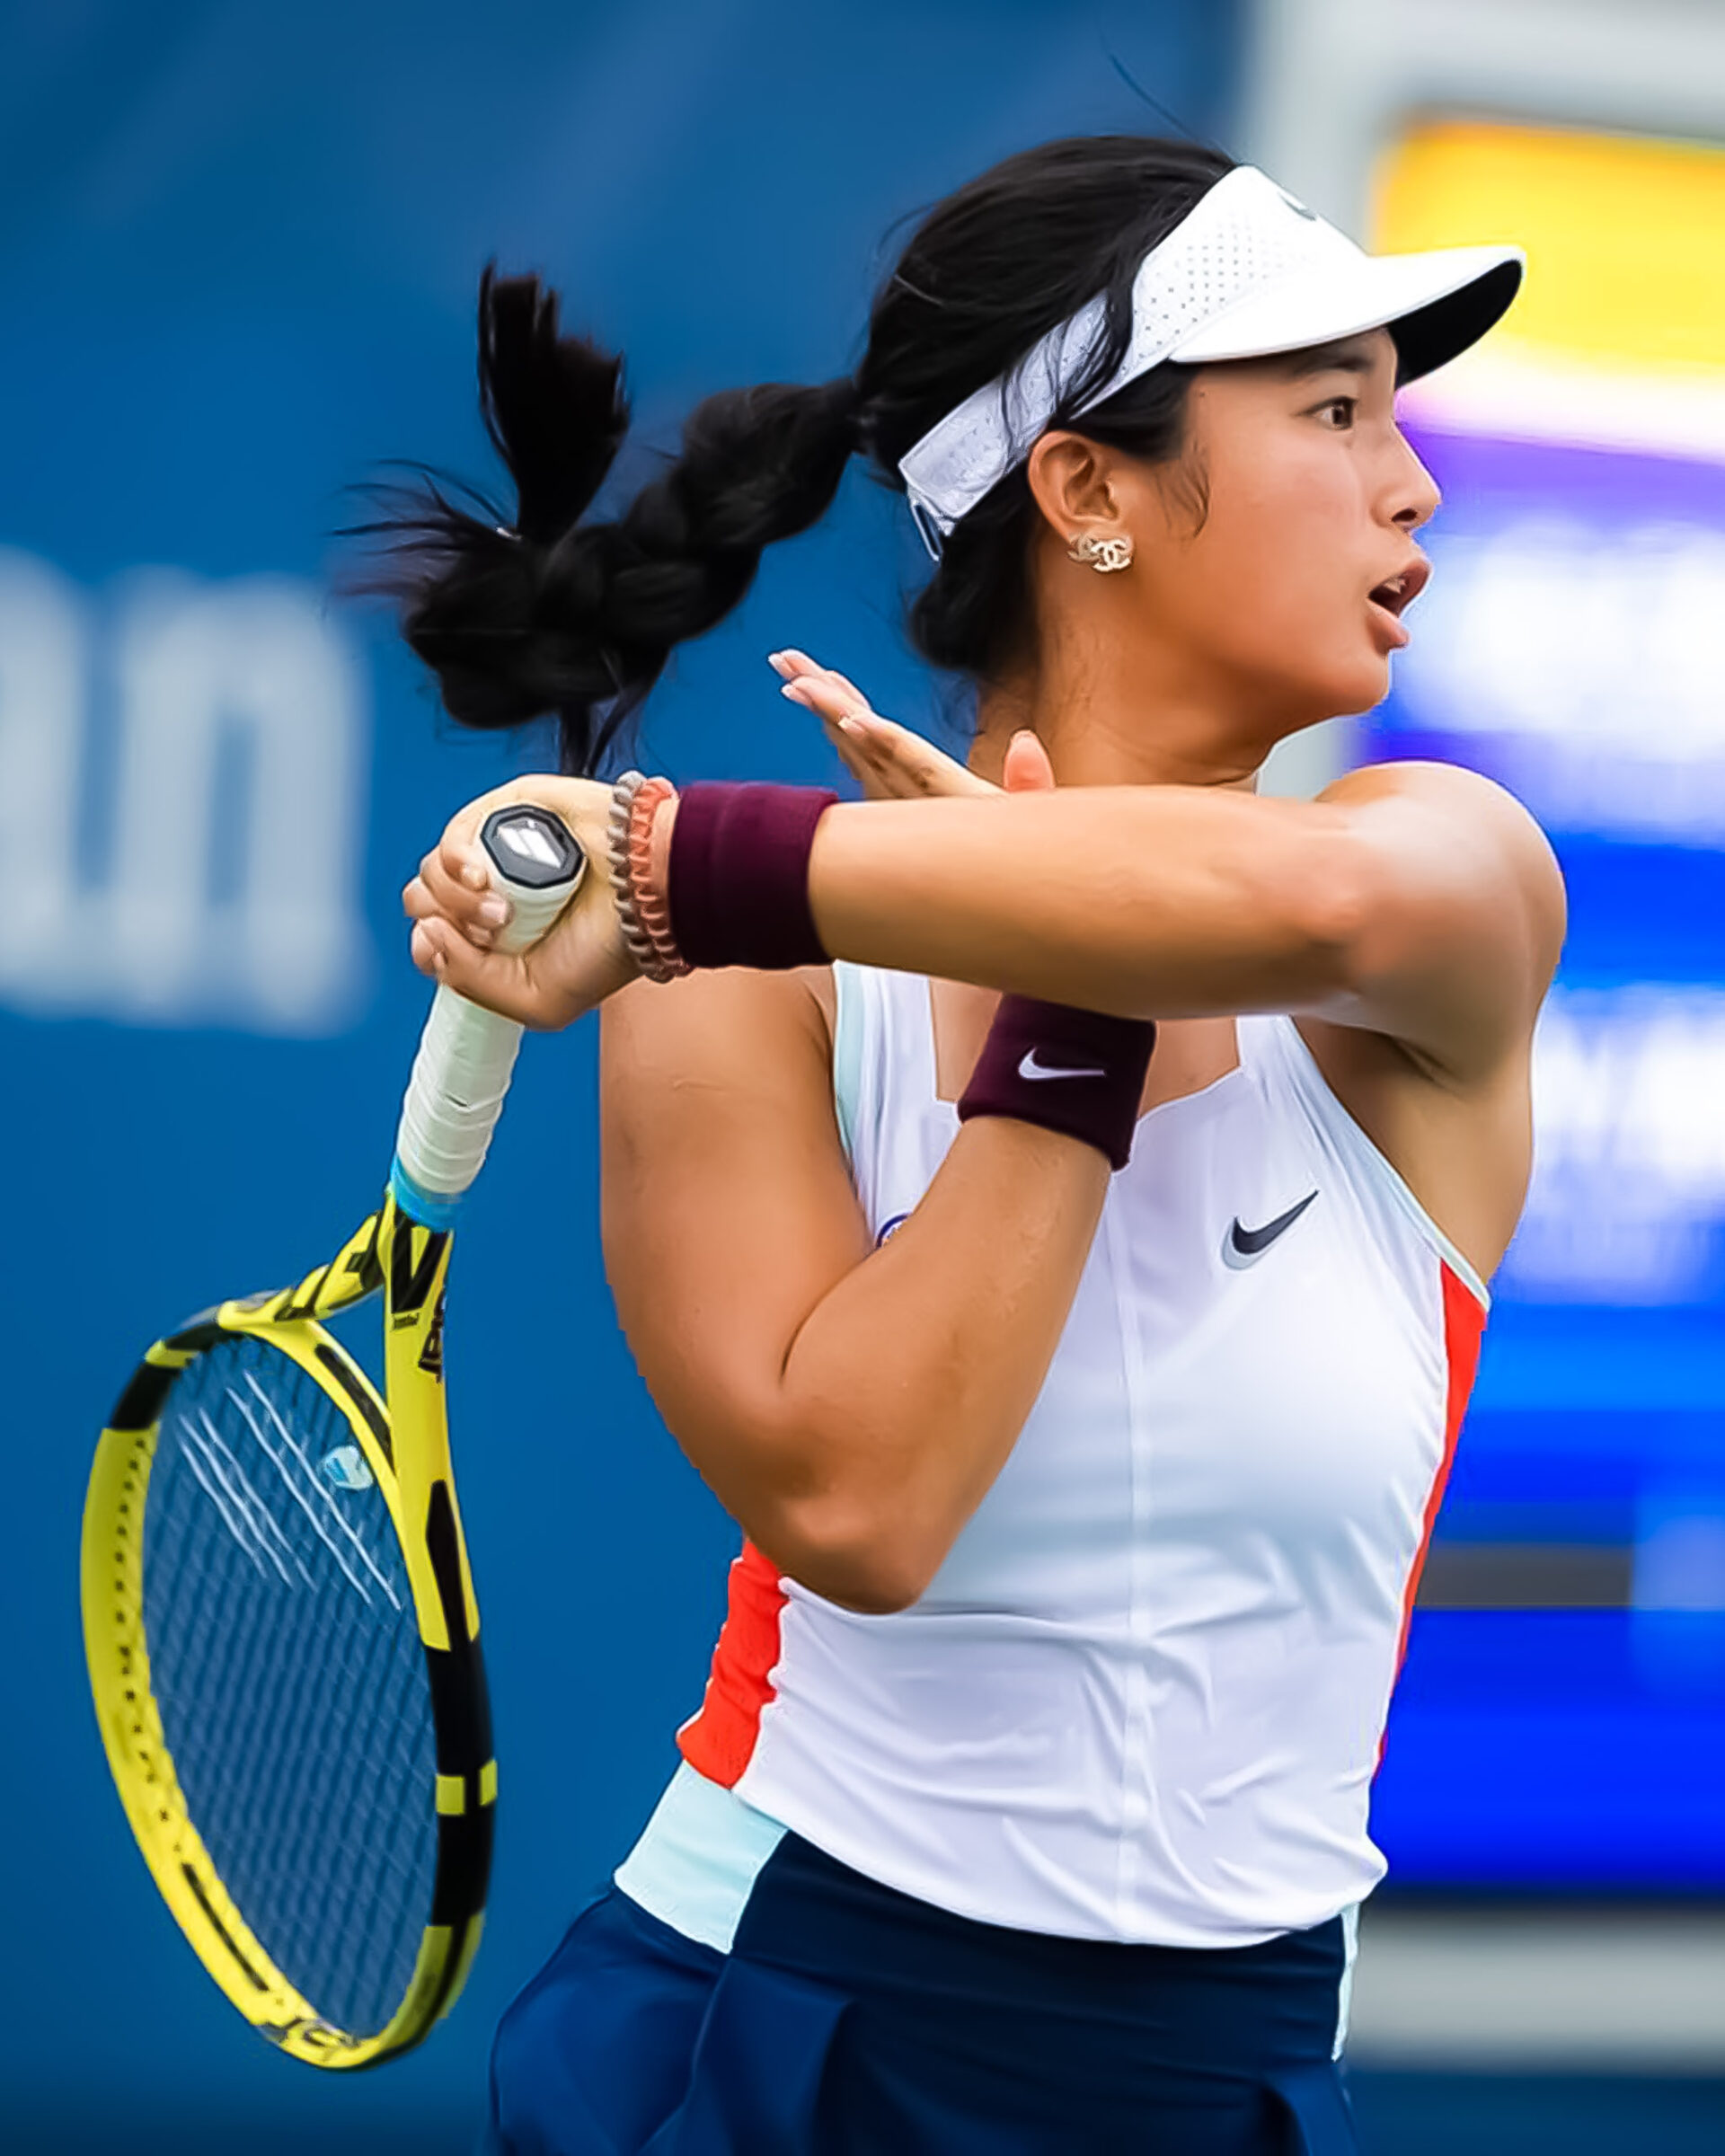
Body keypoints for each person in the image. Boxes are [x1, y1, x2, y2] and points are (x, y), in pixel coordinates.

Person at [385, 137, 1561, 2155]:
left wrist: (686, 861)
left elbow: (1298, 908)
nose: (1412, 483)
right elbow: (868, 1505)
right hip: (769, 2023)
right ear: (1088, 491)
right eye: (1331, 410)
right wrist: (1062, 1014)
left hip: (1231, 2082)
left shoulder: (1443, 881)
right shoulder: (738, 988)